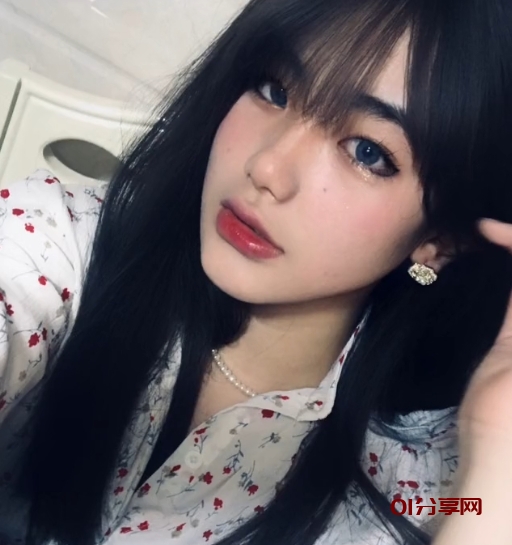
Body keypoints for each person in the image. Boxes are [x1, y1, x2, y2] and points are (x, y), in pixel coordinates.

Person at [0, 0, 512, 543]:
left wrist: (496, 466)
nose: (267, 167)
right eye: (274, 89)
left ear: (438, 240)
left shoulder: (420, 487)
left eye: (366, 151)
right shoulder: (62, 242)